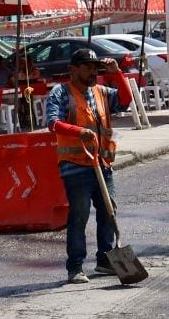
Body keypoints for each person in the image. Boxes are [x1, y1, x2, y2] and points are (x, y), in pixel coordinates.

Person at [46, 47, 134, 284]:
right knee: (80, 214)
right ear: (72, 70)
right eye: (87, 67)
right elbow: (52, 123)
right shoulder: (60, 93)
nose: (92, 72)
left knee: (109, 209)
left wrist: (117, 75)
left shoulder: (102, 92)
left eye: (95, 68)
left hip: (102, 163)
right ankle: (75, 267)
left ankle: (105, 259)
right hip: (75, 165)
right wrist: (79, 131)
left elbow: (126, 101)